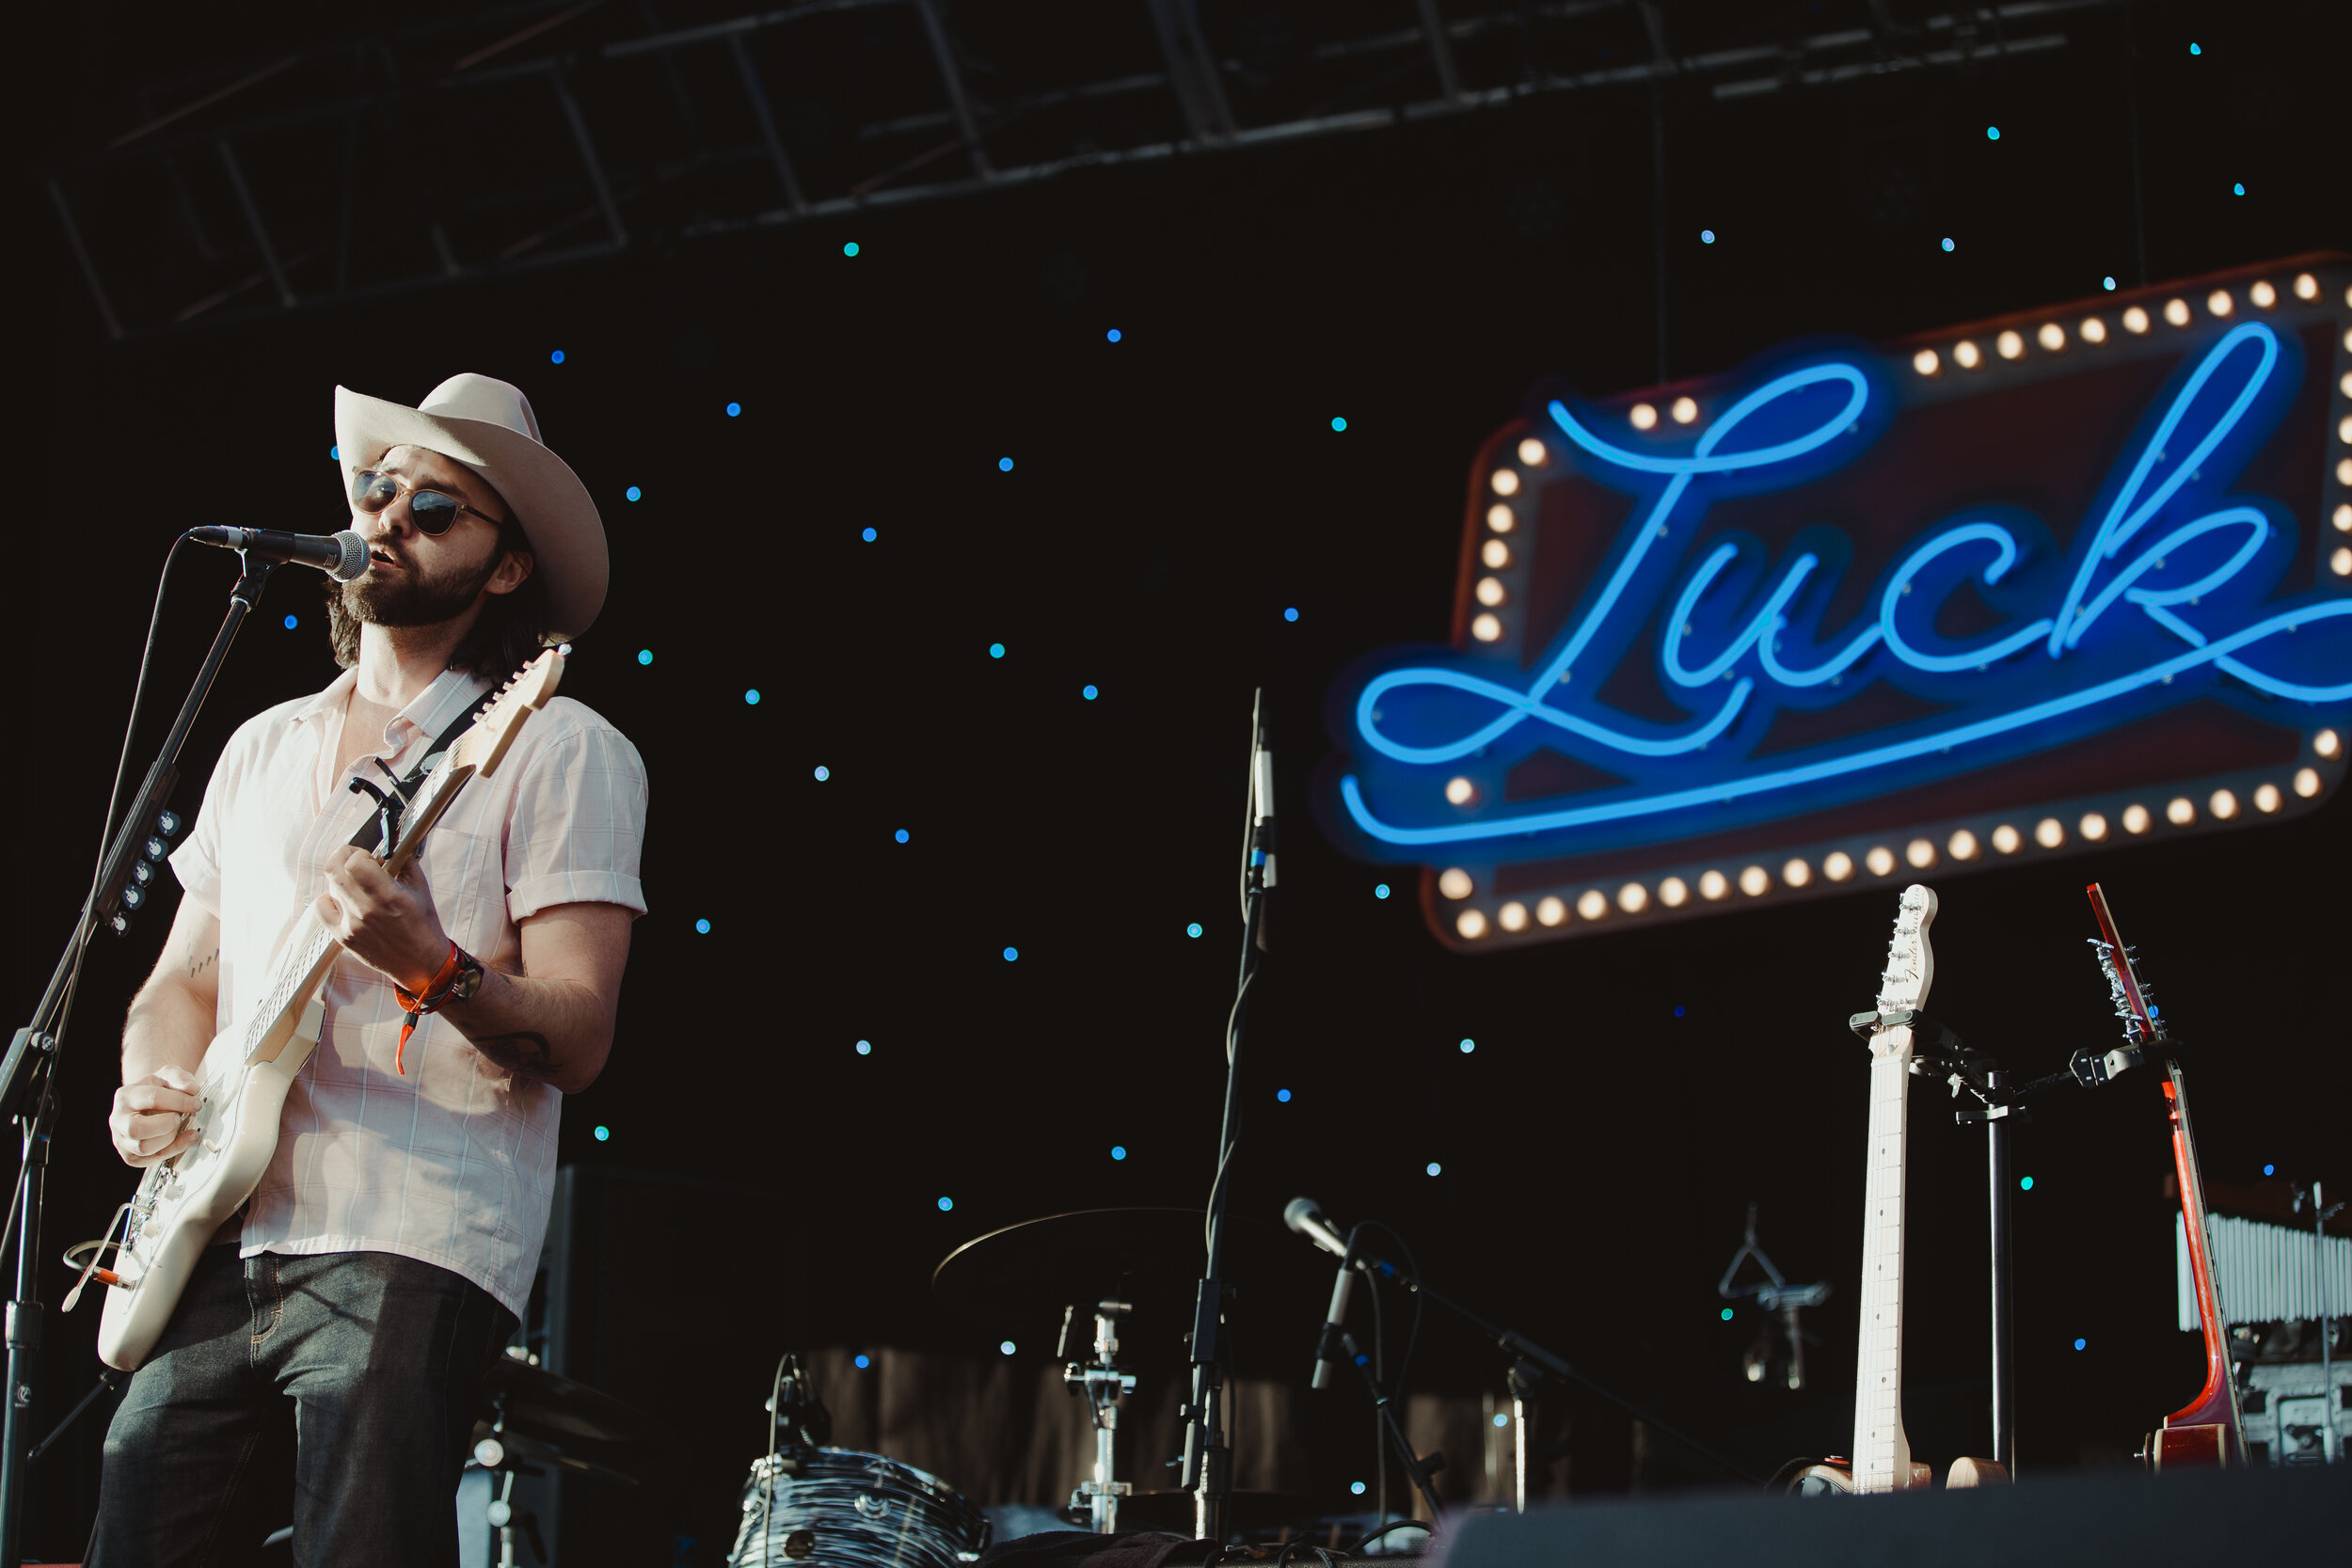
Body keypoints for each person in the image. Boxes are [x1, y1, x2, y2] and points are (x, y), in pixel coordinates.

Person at [89, 373, 649, 1566]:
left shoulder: (556, 744)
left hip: (411, 1227)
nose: (388, 514)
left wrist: (433, 965)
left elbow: (581, 1032)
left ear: (506, 569)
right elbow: (183, 975)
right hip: (220, 1225)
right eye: (379, 486)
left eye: (437, 508)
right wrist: (153, 1082)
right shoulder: (265, 743)